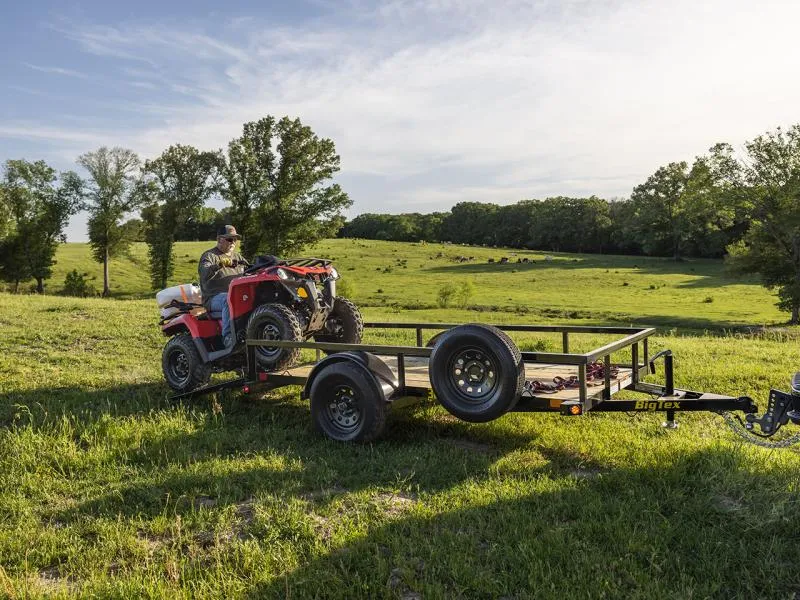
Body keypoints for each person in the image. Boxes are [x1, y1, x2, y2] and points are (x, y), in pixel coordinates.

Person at [199, 225, 250, 348]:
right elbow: (204, 273)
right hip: (213, 298)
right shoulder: (209, 256)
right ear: (219, 239)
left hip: (237, 296)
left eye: (235, 239)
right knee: (229, 299)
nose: (233, 242)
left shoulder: (238, 257)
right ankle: (228, 337)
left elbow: (251, 269)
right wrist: (218, 265)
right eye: (229, 239)